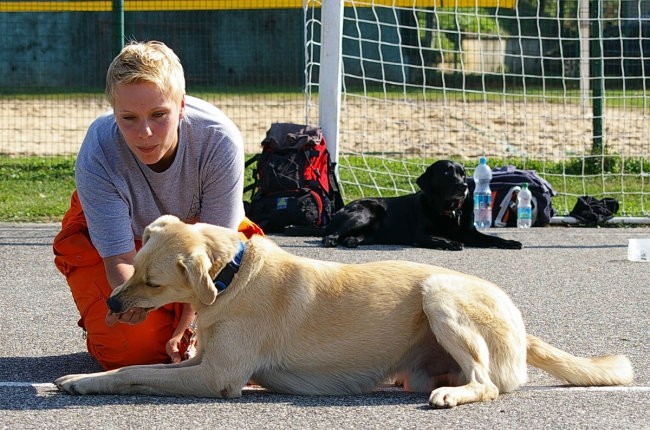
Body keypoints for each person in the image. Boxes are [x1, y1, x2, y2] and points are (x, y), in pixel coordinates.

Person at [53, 40, 262, 370]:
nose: (145, 133)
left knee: (252, 332)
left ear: (181, 106)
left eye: (159, 115)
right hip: (128, 239)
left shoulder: (218, 140)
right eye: (129, 118)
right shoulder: (98, 152)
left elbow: (218, 256)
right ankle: (102, 323)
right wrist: (132, 299)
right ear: (113, 111)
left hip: (203, 240)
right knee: (133, 352)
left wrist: (189, 328)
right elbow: (120, 257)